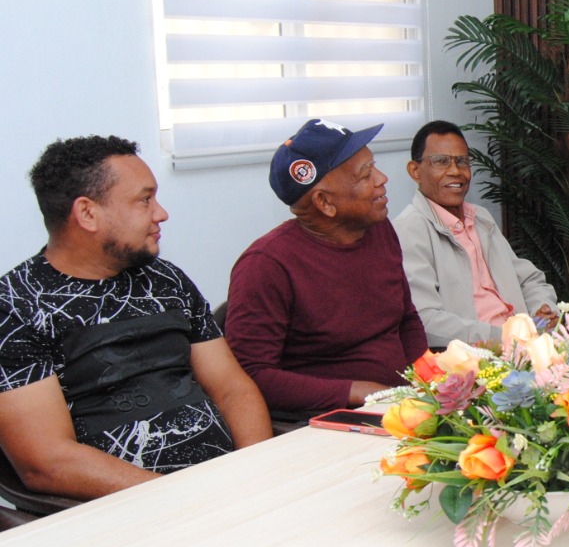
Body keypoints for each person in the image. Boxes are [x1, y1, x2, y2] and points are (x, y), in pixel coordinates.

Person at [0, 136, 270, 499]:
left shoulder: (165, 279)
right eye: (145, 200)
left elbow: (231, 387)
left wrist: (258, 474)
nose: (161, 213)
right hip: (128, 511)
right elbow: (47, 461)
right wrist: (189, 499)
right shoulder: (15, 306)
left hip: (229, 487)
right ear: (87, 213)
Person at [226, 119, 427, 419]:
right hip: (326, 420)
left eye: (374, 165)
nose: (382, 179)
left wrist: (427, 378)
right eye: (365, 175)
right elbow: (251, 376)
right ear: (324, 202)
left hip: (403, 404)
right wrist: (356, 392)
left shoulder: (379, 229)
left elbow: (406, 319)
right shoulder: (266, 265)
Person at [392, 120, 558, 347]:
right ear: (415, 171)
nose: (455, 171)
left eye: (462, 162)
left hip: (527, 345)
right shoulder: (409, 230)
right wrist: (504, 336)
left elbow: (528, 279)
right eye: (441, 162)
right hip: (477, 358)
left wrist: (542, 309)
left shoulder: (479, 217)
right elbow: (425, 320)